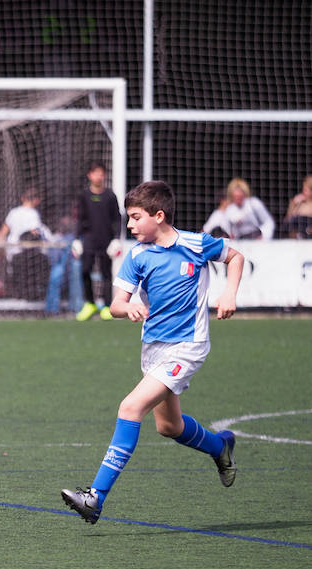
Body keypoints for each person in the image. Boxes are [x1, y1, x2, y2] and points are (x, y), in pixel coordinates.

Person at [61, 180, 244, 525]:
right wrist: (124, 309)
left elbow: (235, 257)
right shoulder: (138, 256)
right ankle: (220, 448)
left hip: (187, 348)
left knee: (130, 407)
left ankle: (94, 497)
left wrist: (230, 294)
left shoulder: (195, 244)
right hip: (153, 349)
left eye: (134, 218)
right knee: (169, 427)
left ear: (158, 216)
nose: (129, 226)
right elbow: (116, 303)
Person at [73, 162, 122, 321]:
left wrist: (116, 239)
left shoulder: (110, 195)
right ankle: (90, 304)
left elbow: (117, 218)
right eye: (95, 173)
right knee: (85, 270)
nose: (98, 176)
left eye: (101, 173)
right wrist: (76, 239)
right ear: (90, 175)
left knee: (106, 273)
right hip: (88, 240)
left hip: (106, 241)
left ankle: (107, 306)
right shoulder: (84, 195)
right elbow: (80, 219)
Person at [282, 174, 312, 239]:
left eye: (305, 190)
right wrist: (293, 204)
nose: (303, 192)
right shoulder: (298, 203)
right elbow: (286, 221)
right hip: (294, 239)